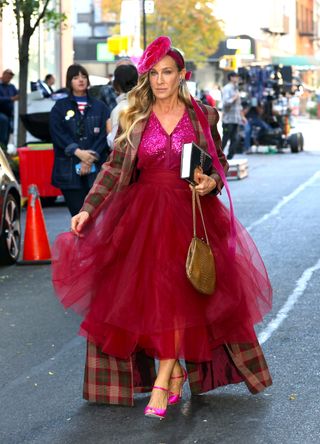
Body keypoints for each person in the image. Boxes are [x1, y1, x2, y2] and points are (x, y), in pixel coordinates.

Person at [52, 37, 272, 419]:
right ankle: (171, 374)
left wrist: (211, 183)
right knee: (159, 298)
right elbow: (112, 170)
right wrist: (88, 209)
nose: (159, 80)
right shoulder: (135, 119)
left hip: (191, 214)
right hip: (144, 217)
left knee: (180, 296)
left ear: (181, 75)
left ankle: (163, 378)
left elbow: (217, 163)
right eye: (152, 73)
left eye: (166, 72)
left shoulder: (203, 116)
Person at [49, 64, 109, 216]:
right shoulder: (60, 107)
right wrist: (78, 152)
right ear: (69, 81)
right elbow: (57, 133)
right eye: (76, 78)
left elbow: (105, 135)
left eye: (84, 77)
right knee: (77, 216)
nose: (81, 80)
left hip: (95, 170)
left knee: (96, 217)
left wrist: (89, 158)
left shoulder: (100, 106)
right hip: (69, 170)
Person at [106, 64, 138, 149]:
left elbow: (116, 144)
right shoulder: (146, 103)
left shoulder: (120, 109)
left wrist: (109, 132)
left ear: (116, 84)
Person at [221, 71, 246, 159]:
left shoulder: (236, 89)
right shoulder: (227, 88)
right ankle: (218, 156)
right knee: (226, 138)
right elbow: (226, 103)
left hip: (236, 119)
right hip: (228, 119)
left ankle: (230, 157)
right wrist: (235, 97)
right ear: (231, 77)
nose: (237, 78)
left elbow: (239, 106)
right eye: (236, 76)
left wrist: (242, 117)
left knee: (234, 138)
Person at [0, 69, 19, 148]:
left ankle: (5, 147)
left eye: (10, 78)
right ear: (3, 75)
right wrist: (10, 99)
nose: (9, 79)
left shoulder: (11, 87)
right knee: (4, 121)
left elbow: (18, 94)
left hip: (10, 113)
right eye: (7, 77)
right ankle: (2, 146)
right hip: (1, 112)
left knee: (9, 127)